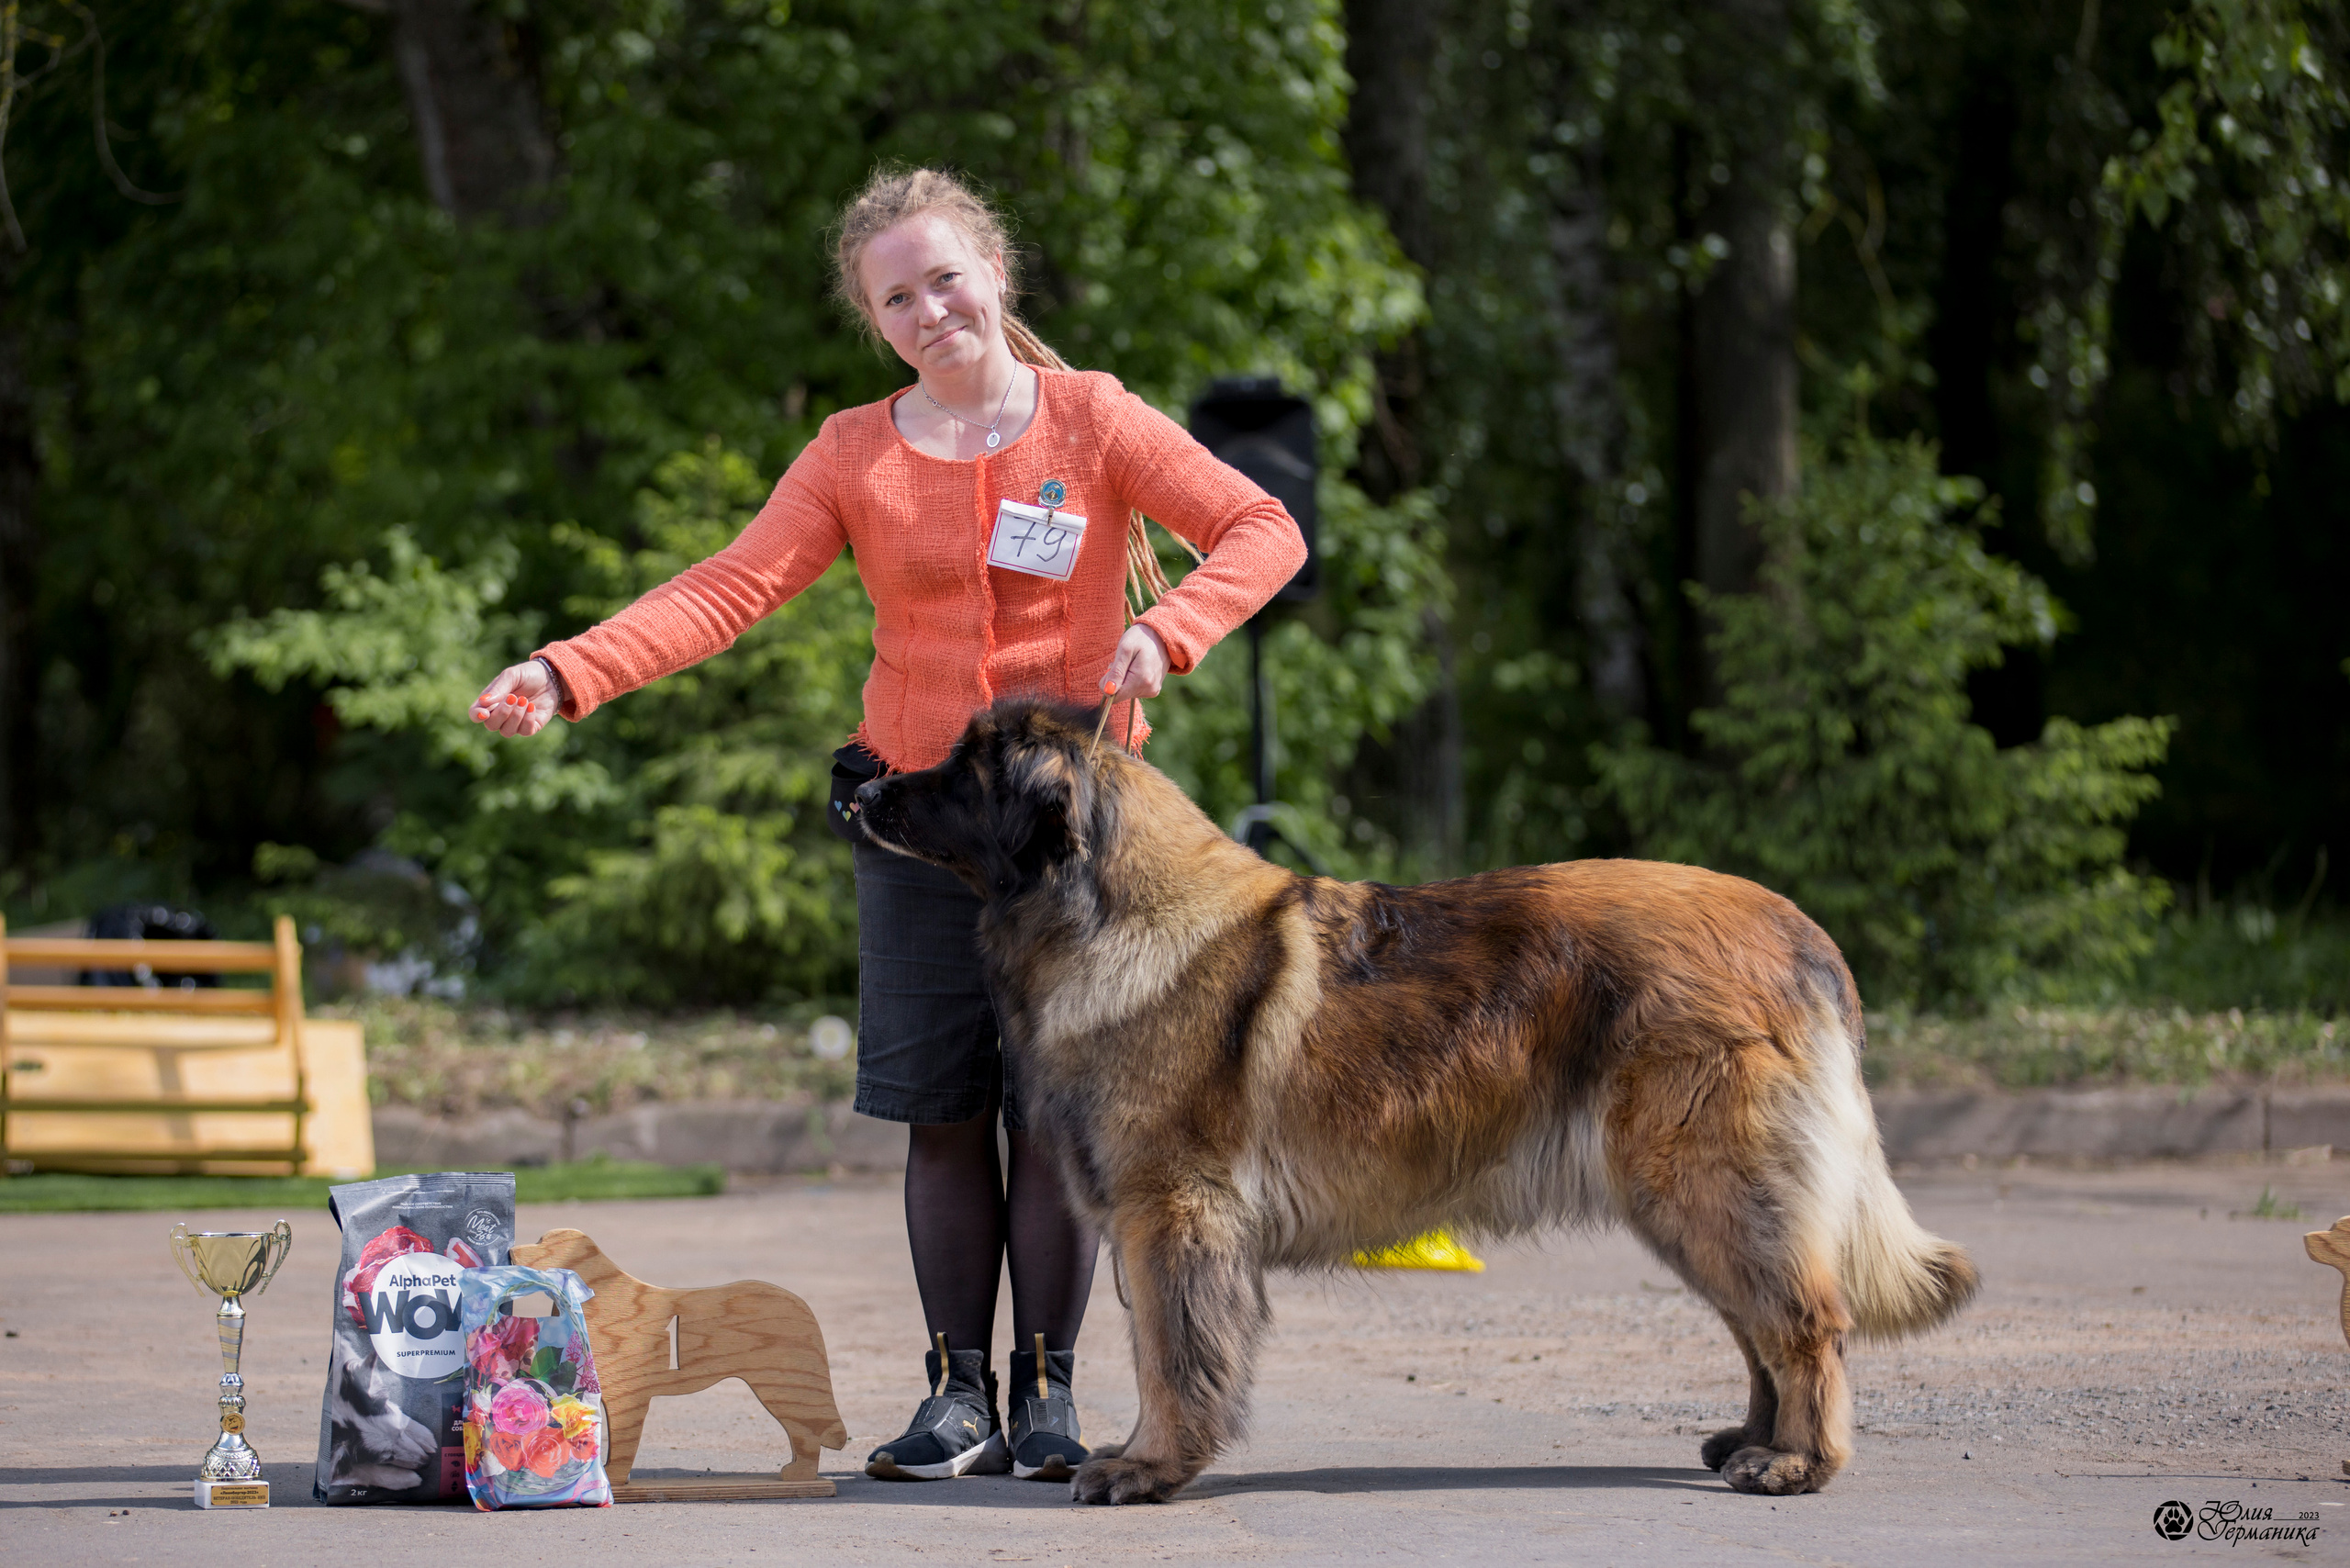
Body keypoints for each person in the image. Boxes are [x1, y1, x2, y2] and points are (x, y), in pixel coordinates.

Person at [466, 166, 1305, 1483]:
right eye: (896, 296)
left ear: (997, 275)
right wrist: (568, 671)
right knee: (942, 1111)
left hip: (1074, 843)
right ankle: (956, 1395)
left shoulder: (1092, 419)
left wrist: (1168, 627)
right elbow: (730, 588)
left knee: (1059, 1114)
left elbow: (1263, 528)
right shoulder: (855, 451)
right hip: (921, 829)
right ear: (877, 321)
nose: (929, 309)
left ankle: (1051, 1398)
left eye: (946, 279)